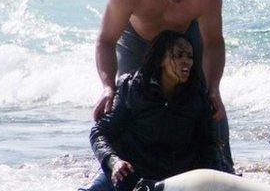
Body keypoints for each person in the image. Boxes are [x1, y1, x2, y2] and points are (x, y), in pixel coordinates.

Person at [92, 0, 233, 171]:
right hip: (138, 39)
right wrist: (108, 86)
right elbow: (105, 41)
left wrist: (214, 87)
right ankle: (115, 168)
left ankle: (223, 169)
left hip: (184, 34)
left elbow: (214, 43)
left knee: (207, 101)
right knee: (124, 98)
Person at [82, 31, 228, 191]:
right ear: (160, 60)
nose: (186, 61)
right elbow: (99, 132)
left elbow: (209, 146)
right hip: (126, 173)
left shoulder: (197, 97)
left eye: (190, 56)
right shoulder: (132, 88)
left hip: (172, 180)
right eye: (178, 55)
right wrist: (114, 162)